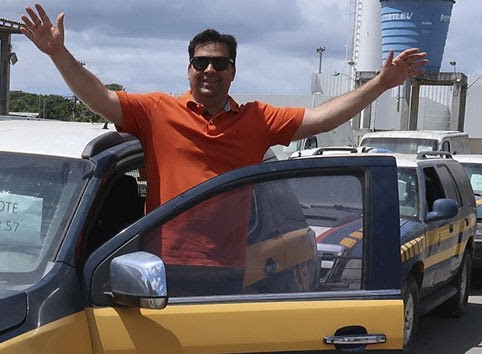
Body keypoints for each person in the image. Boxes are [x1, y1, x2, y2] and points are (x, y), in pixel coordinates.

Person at [21, 4, 427, 293]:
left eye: (219, 63)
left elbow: (323, 118)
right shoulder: (156, 111)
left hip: (230, 270)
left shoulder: (257, 119)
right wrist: (58, 53)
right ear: (189, 69)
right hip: (158, 267)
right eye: (200, 63)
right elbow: (99, 98)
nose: (209, 70)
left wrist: (380, 84)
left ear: (233, 70)